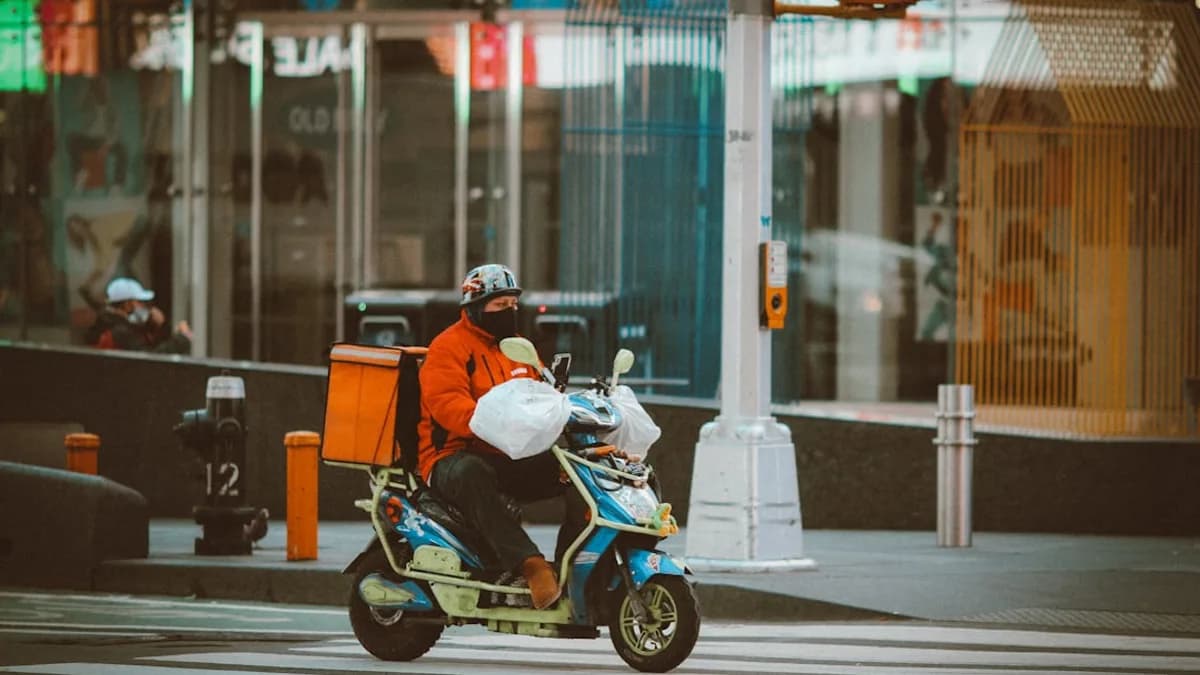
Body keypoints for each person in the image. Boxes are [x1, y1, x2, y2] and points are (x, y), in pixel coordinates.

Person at [416, 264, 578, 610]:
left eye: (512, 305)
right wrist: (498, 425)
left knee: (579, 473)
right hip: (451, 456)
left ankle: (574, 567)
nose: (509, 312)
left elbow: (541, 394)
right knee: (472, 472)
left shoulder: (519, 347)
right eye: (499, 305)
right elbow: (449, 406)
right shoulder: (448, 348)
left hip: (510, 452)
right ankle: (530, 566)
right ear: (474, 308)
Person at [87, 277, 192, 354]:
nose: (144, 306)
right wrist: (182, 338)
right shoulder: (121, 332)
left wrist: (158, 326)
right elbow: (150, 361)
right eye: (140, 302)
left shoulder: (106, 324)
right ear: (127, 305)